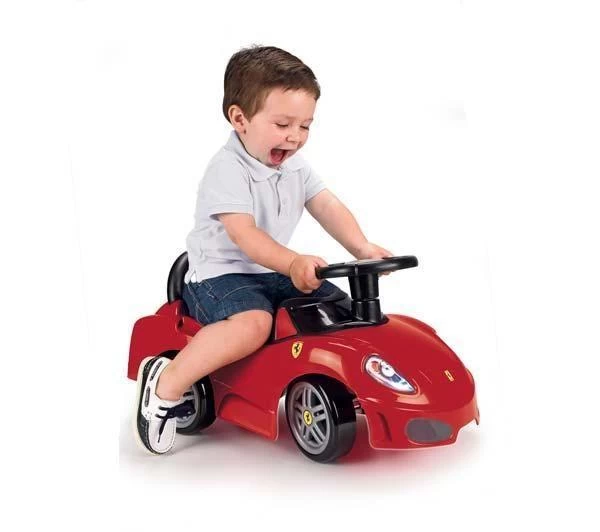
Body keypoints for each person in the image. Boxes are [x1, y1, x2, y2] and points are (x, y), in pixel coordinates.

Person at [134, 45, 393, 454]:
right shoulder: (227, 169)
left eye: (305, 126)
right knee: (253, 323)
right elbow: (246, 236)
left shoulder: (295, 166)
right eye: (283, 124)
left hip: (269, 272)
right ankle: (166, 386)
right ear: (240, 119)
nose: (295, 136)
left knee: (340, 312)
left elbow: (326, 205)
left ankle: (357, 384)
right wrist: (292, 262)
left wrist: (361, 246)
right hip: (218, 276)